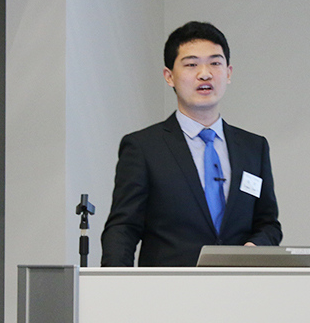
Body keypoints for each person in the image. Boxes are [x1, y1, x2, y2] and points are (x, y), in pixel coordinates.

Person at [101, 21, 282, 267]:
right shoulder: (143, 147)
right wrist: (114, 283)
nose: (205, 74)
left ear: (228, 73)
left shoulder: (254, 148)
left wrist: (253, 248)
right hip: (169, 286)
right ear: (169, 76)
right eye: (191, 64)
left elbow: (268, 224)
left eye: (215, 63)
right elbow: (124, 227)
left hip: (239, 282)